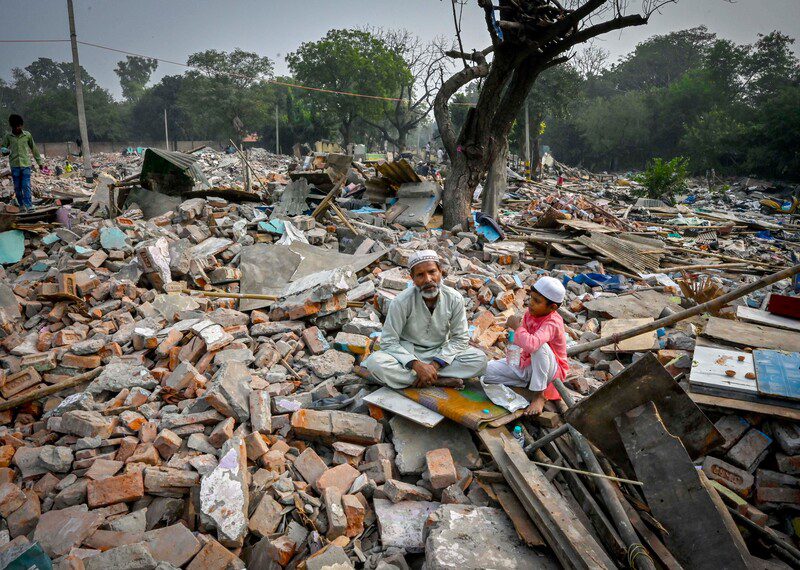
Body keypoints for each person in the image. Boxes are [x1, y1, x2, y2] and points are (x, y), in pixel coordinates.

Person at [363, 250, 488, 390]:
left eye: (432, 272)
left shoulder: (454, 298)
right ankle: (437, 381)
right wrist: (416, 365)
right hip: (409, 354)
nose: (428, 279)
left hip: (440, 355)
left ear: (440, 272)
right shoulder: (401, 302)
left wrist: (434, 365)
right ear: (412, 278)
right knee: (375, 362)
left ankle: (420, 378)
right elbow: (389, 341)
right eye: (420, 275)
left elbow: (460, 339)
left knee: (480, 360)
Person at [483, 276, 569, 416]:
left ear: (552, 307)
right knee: (486, 372)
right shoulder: (530, 314)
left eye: (537, 301)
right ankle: (527, 383)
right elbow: (520, 342)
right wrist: (512, 354)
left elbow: (531, 345)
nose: (530, 304)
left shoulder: (553, 322)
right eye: (531, 298)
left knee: (539, 347)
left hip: (551, 372)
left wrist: (517, 327)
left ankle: (539, 395)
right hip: (528, 363)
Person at [1, 114, 43, 211]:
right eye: (16, 126)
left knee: (26, 185)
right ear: (12, 126)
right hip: (15, 165)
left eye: (19, 126)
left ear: (21, 125)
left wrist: (39, 162)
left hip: (25, 165)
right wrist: (4, 151)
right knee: (17, 187)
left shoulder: (27, 135)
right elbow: (2, 148)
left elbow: (34, 148)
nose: (18, 128)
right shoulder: (8, 136)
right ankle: (21, 205)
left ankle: (29, 205)